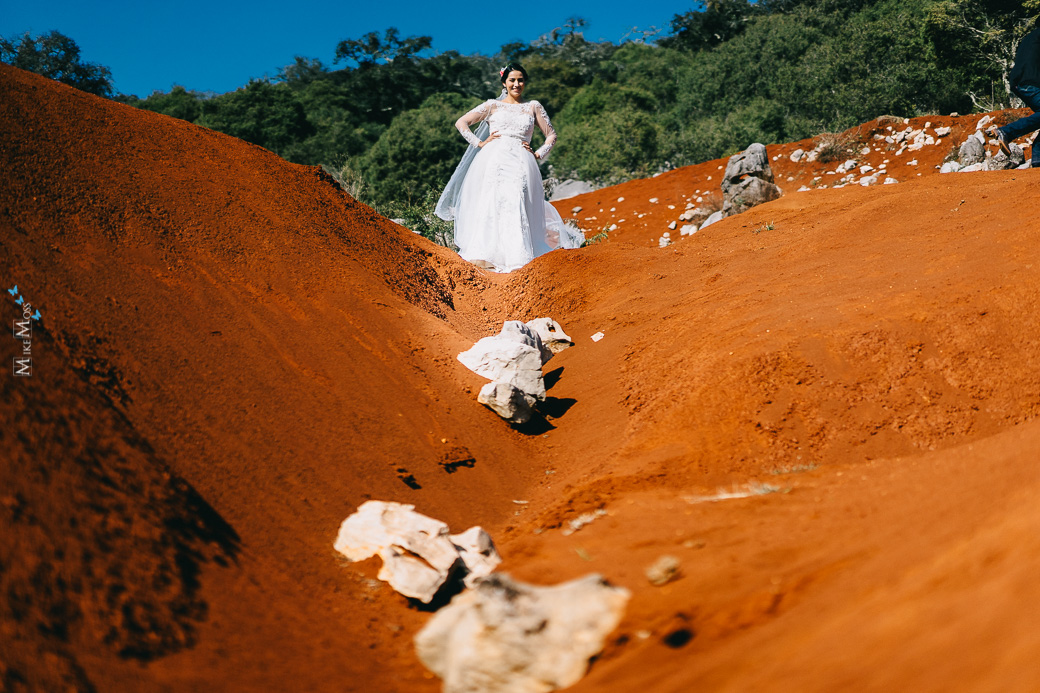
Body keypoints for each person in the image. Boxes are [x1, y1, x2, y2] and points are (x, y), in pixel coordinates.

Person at [435, 63, 581, 272]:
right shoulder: (493, 105)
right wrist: (480, 143)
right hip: (494, 158)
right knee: (493, 200)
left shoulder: (533, 106)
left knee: (517, 197)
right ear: (504, 82)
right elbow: (462, 122)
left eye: (520, 80)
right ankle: (488, 253)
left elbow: (551, 135)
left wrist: (538, 153)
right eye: (512, 80)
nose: (517, 84)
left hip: (522, 159)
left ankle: (518, 254)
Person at [991, 24, 1040, 168]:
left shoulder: (1030, 37)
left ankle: (1038, 159)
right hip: (1029, 81)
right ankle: (1006, 132)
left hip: (1020, 81)